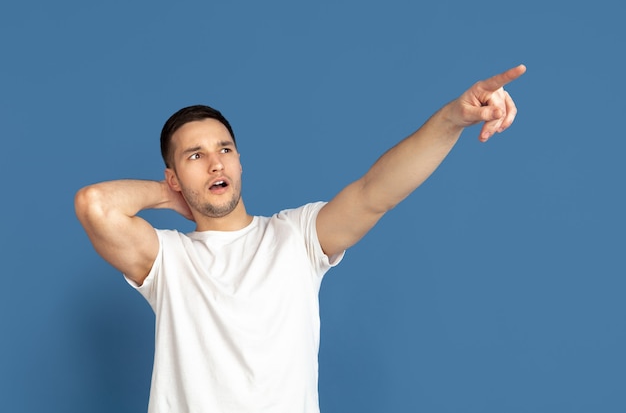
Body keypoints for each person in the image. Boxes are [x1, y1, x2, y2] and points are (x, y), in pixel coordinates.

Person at [75, 64, 526, 412]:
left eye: (225, 149)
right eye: (196, 155)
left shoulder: (296, 237)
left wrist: (451, 118)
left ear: (239, 163)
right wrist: (171, 195)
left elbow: (376, 192)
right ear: (173, 175)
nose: (216, 164)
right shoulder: (168, 260)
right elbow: (95, 204)